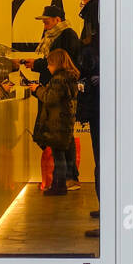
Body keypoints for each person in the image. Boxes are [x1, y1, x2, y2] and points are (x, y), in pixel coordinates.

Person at [21, 3, 83, 188]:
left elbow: (61, 61)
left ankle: (65, 180)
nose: (44, 26)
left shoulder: (67, 35)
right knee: (63, 139)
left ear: (57, 20)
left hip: (56, 96)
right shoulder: (59, 36)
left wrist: (39, 67)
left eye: (47, 22)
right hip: (54, 93)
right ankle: (65, 179)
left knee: (61, 140)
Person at [74, 0, 101, 238]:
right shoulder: (101, 9)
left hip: (98, 95)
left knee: (103, 156)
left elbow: (92, 53)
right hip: (99, 92)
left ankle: (110, 216)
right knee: (103, 156)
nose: (80, 2)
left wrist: (92, 76)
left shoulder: (96, 12)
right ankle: (108, 211)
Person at [34, 49, 80, 197]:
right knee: (61, 155)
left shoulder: (59, 79)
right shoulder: (70, 77)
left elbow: (50, 98)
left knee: (58, 157)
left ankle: (59, 186)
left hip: (57, 123)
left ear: (56, 63)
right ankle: (59, 185)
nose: (48, 67)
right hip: (65, 122)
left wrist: (37, 89)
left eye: (49, 63)